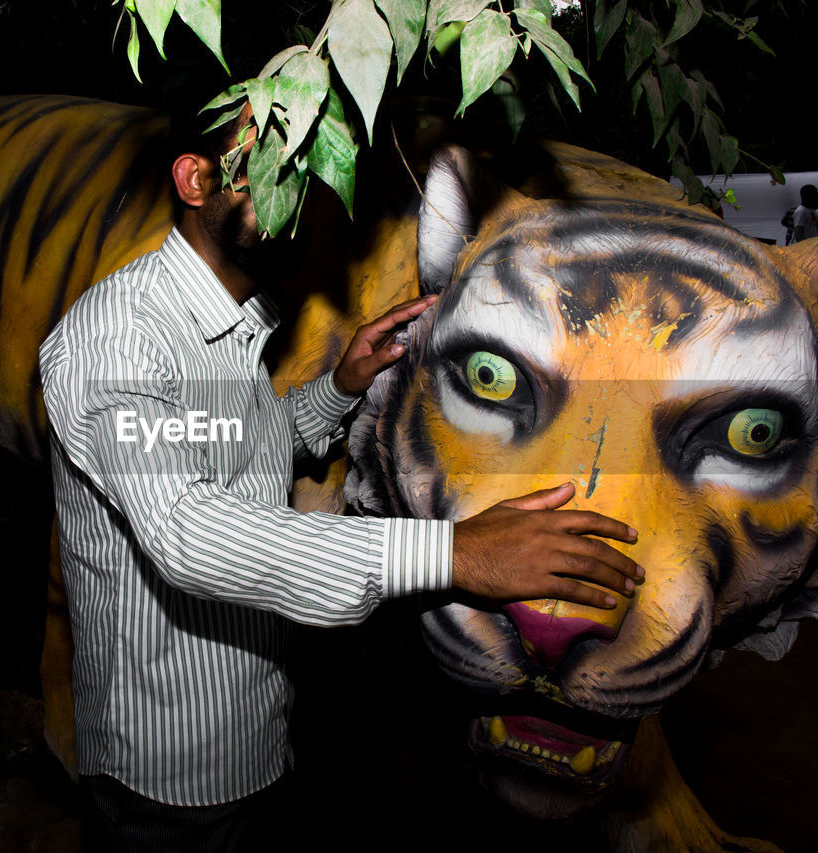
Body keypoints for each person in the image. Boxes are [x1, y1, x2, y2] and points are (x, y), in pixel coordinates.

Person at [38, 107, 643, 852]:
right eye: (276, 168)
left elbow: (240, 448)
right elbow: (189, 531)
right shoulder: (117, 338)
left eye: (310, 166)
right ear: (196, 180)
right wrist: (453, 554)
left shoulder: (236, 318)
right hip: (166, 776)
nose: (306, 192)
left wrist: (340, 384)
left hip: (256, 735)